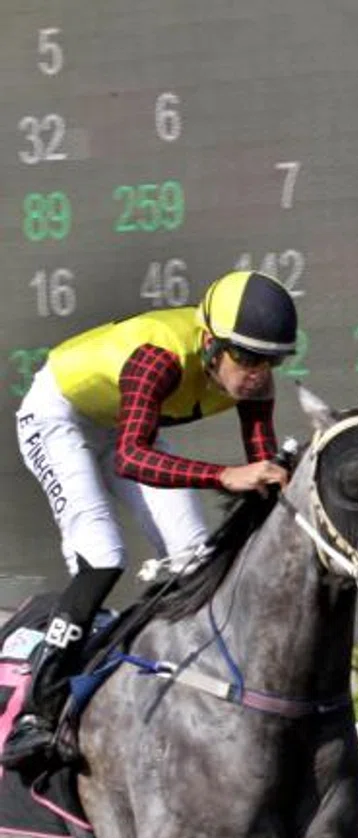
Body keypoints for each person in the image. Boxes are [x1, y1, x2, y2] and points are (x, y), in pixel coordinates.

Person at [2, 270, 298, 769]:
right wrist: (226, 475)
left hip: (122, 423)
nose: (258, 374)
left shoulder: (254, 382)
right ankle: (39, 712)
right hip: (60, 417)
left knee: (195, 560)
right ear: (208, 345)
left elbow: (260, 471)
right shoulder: (158, 356)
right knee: (101, 554)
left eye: (271, 361)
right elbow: (132, 459)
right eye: (246, 358)